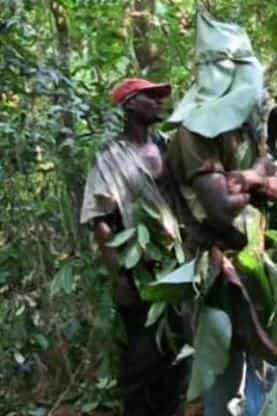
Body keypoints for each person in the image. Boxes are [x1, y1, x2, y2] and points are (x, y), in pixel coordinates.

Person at [167, 10, 277, 416]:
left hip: (257, 260)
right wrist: (259, 180)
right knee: (223, 373)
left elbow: (272, 180)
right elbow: (220, 208)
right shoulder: (192, 133)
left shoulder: (244, 126)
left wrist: (248, 177)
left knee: (266, 368)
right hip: (216, 272)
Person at [80, 78, 187, 416]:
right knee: (142, 358)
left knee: (179, 351)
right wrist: (120, 277)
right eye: (150, 97)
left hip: (179, 265)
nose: (159, 102)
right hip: (139, 269)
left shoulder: (170, 146)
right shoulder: (110, 159)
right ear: (129, 105)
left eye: (160, 97)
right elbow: (100, 219)